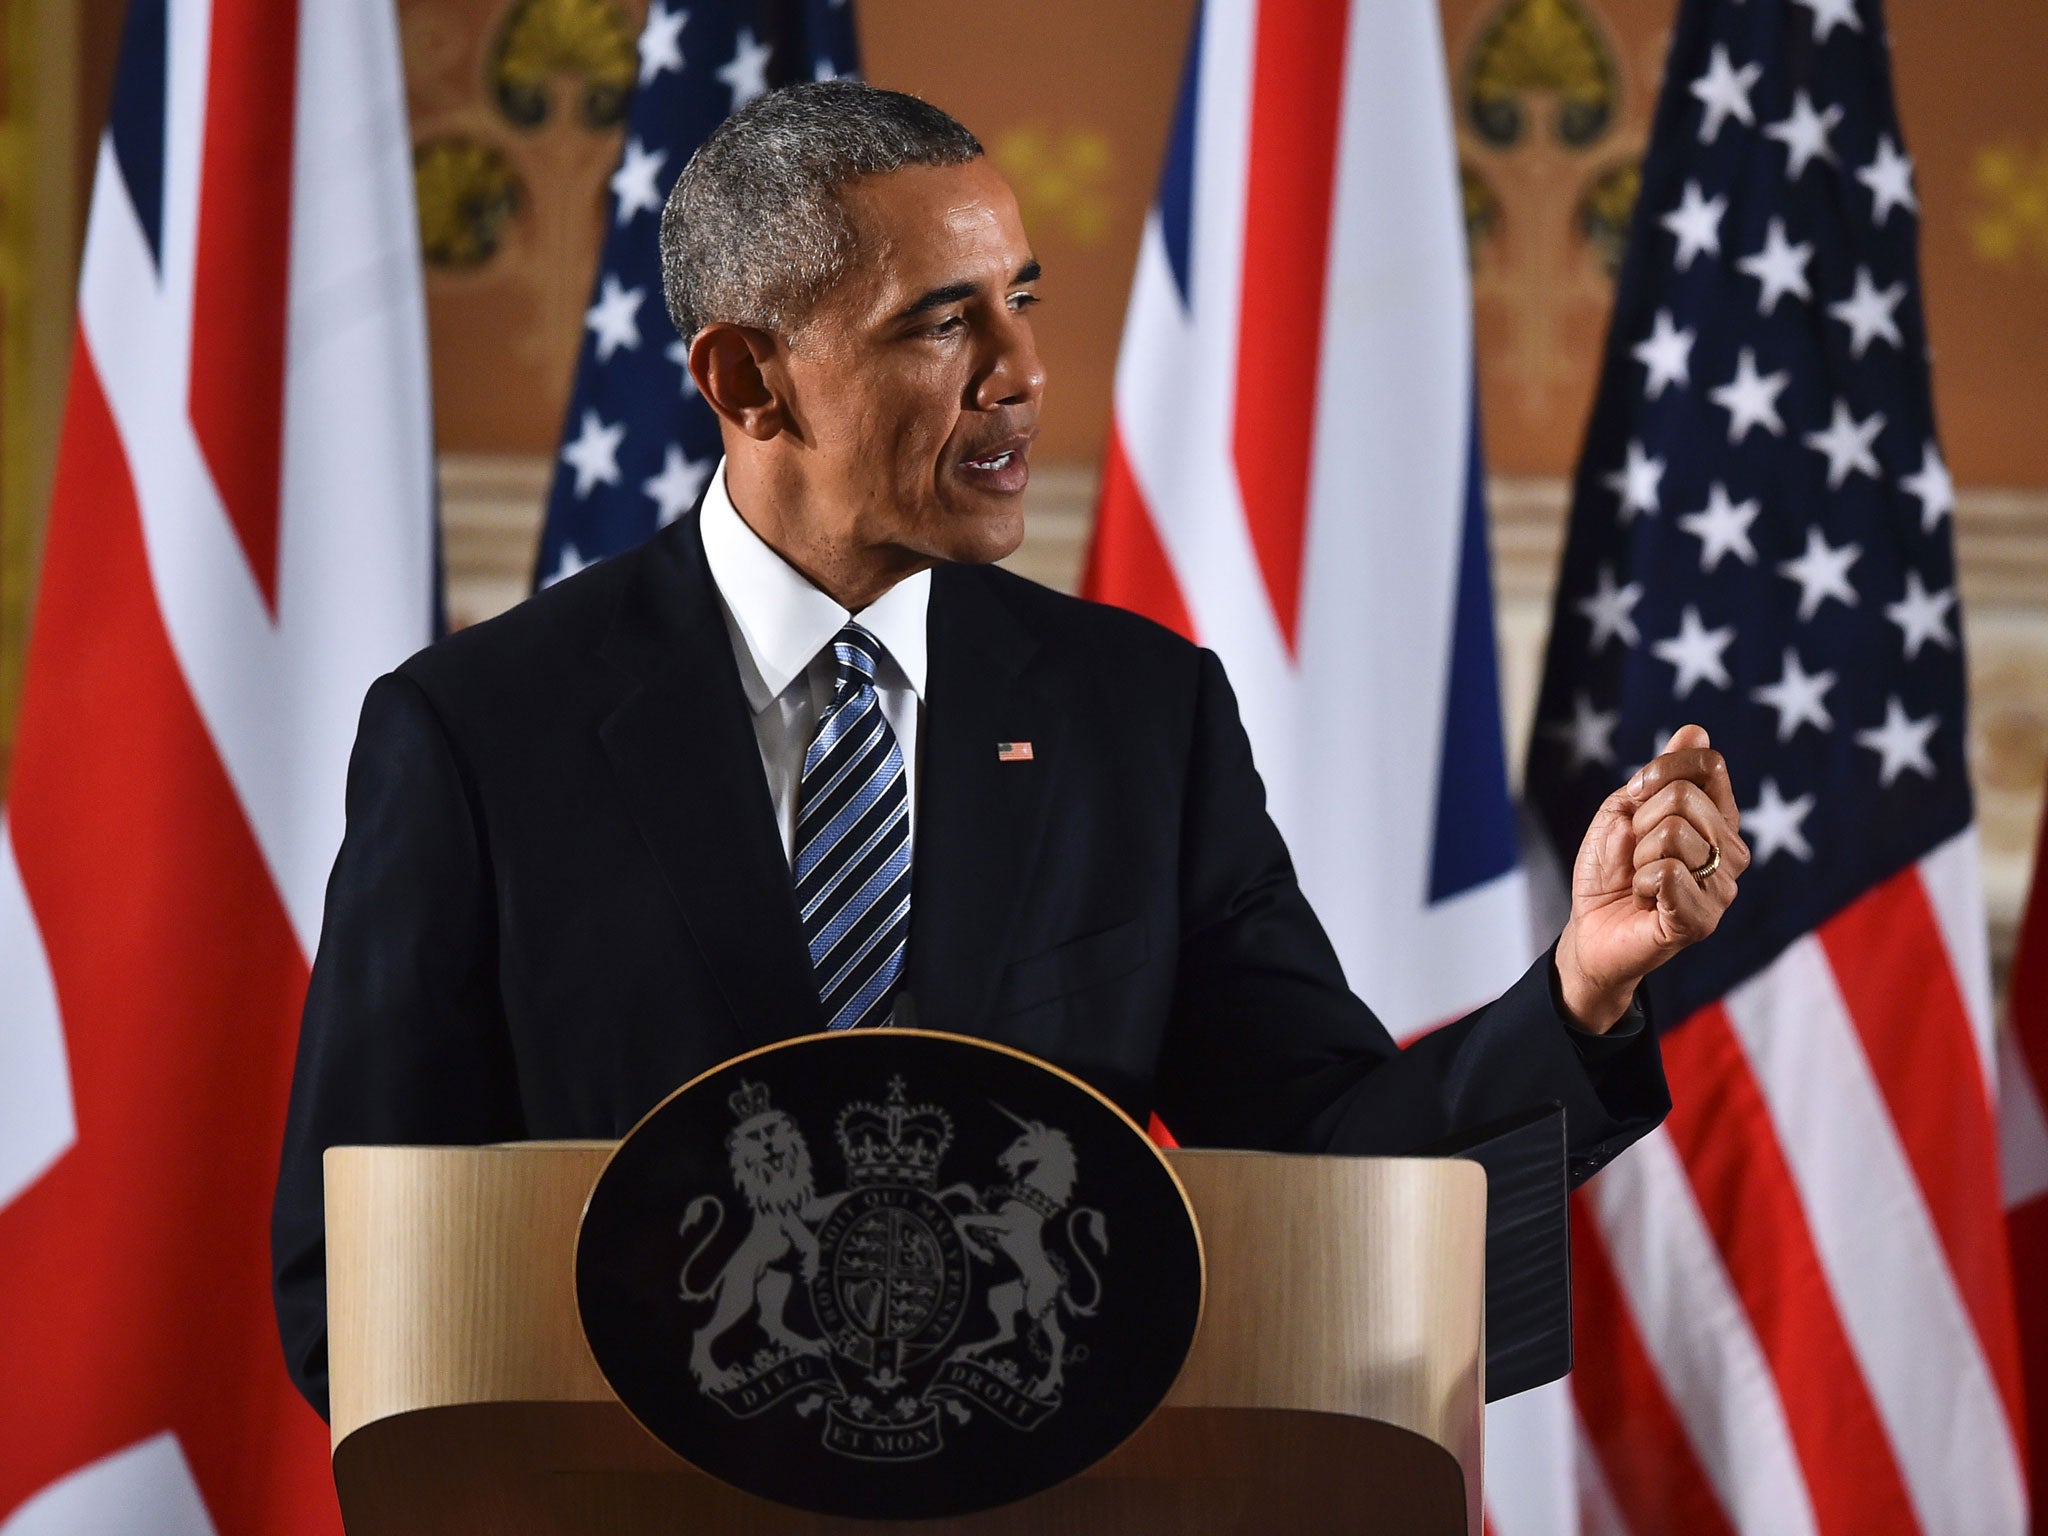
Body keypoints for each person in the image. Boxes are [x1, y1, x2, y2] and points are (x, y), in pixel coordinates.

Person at [272, 82, 1747, 1418]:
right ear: (747, 382)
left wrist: (1580, 987)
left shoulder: (1137, 716)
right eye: (941, 319)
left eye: (1023, 301)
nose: (1023, 370)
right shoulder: (478, 734)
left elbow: (1327, 1167)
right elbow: (359, 1273)